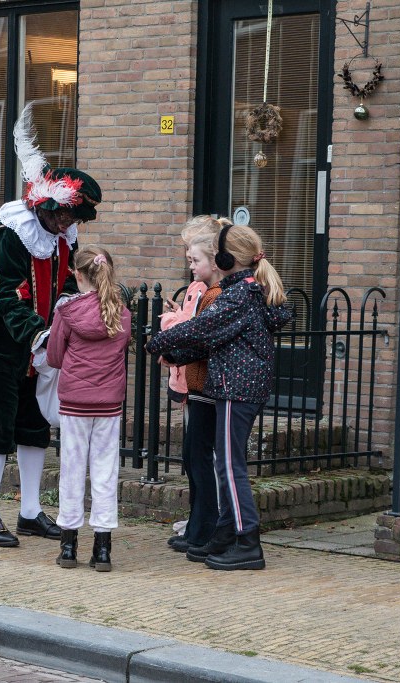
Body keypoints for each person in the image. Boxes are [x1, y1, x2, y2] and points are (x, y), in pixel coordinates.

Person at [0, 103, 102, 548]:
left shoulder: (62, 239)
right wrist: (41, 335)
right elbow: (5, 296)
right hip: (2, 345)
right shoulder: (11, 236)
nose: (66, 223)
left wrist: (67, 320)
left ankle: (31, 511)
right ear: (43, 205)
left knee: (35, 428)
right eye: (62, 215)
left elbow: (66, 286)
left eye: (72, 217)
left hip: (42, 348)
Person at [146, 223, 291, 570]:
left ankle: (248, 542)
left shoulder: (238, 294)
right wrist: (176, 353)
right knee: (227, 464)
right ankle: (227, 532)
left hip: (236, 389)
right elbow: (213, 340)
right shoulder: (245, 290)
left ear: (225, 259)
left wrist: (158, 341)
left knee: (229, 466)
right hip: (236, 388)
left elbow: (200, 328)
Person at [46, 245, 130, 571]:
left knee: (72, 469)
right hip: (108, 403)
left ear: (78, 275)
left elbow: (54, 357)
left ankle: (68, 547)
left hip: (74, 402)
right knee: (105, 471)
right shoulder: (121, 313)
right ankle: (103, 549)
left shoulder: (67, 312)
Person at [160, 216, 230, 556]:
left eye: (194, 259)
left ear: (214, 261)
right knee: (193, 456)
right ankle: (197, 526)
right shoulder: (204, 291)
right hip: (196, 384)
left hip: (205, 387)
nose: (190, 266)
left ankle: (206, 529)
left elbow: (197, 335)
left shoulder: (215, 295)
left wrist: (171, 328)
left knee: (201, 458)